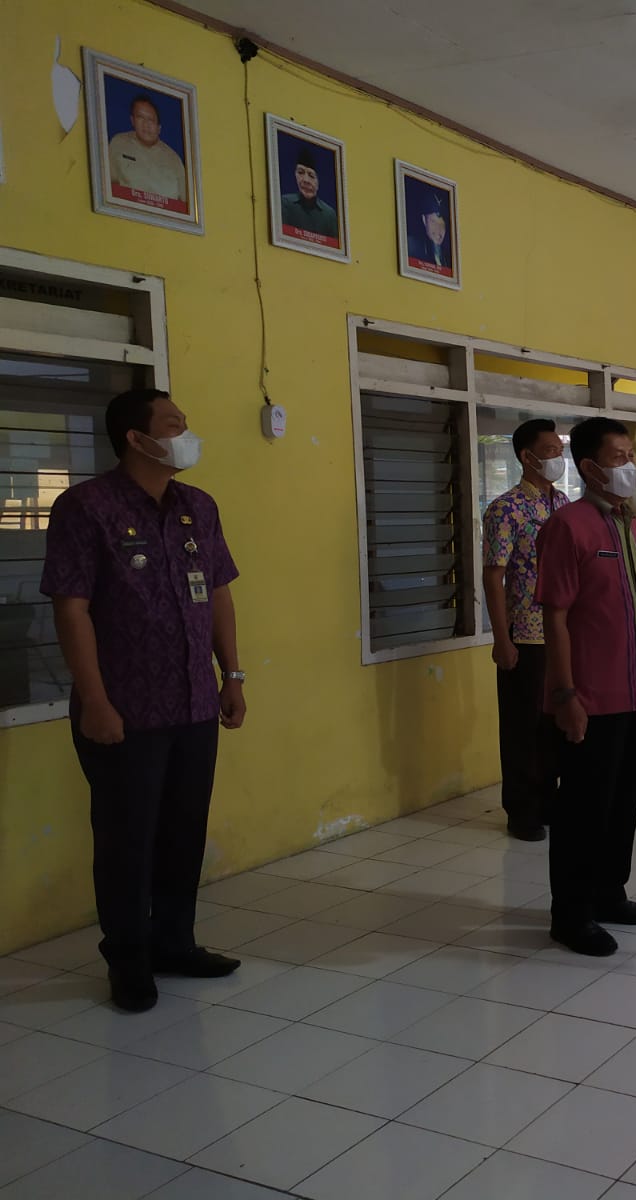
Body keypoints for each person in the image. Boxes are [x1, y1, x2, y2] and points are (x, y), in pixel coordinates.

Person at [41, 388, 246, 1013]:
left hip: (193, 702)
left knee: (184, 832)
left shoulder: (197, 507)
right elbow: (72, 608)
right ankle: (128, 959)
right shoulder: (86, 507)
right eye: (174, 424)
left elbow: (218, 593)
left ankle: (175, 943)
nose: (187, 434)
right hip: (124, 709)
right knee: (126, 839)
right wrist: (94, 700)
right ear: (136, 438)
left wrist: (233, 675)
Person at [535, 417, 636, 956]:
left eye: (631, 455)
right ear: (589, 467)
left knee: (623, 804)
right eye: (619, 457)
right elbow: (555, 617)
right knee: (582, 811)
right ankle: (571, 915)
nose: (630, 465)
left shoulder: (630, 525)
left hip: (633, 693)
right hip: (589, 699)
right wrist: (565, 695)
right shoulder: (568, 526)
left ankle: (610, 893)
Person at [482, 419, 568, 841]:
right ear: (526, 457)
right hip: (526, 634)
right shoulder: (507, 508)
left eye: (560, 450)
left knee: (554, 722)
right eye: (550, 451)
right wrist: (502, 639)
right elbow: (493, 575)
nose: (558, 458)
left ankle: (550, 800)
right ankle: (522, 809)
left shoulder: (563, 504)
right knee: (523, 725)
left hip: (561, 633)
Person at [106, 94, 187, 207]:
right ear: (132, 120)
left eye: (151, 120)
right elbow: (108, 185)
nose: (146, 124)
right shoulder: (118, 143)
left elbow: (185, 203)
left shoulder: (174, 159)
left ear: (159, 128)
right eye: (140, 117)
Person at [280, 145, 338, 238]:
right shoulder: (284, 203)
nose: (305, 180)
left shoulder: (329, 215)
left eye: (311, 175)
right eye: (300, 172)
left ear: (320, 181)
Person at [406, 191, 453, 271]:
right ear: (424, 220)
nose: (438, 229)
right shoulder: (410, 247)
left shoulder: (451, 254)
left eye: (442, 224)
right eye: (433, 221)